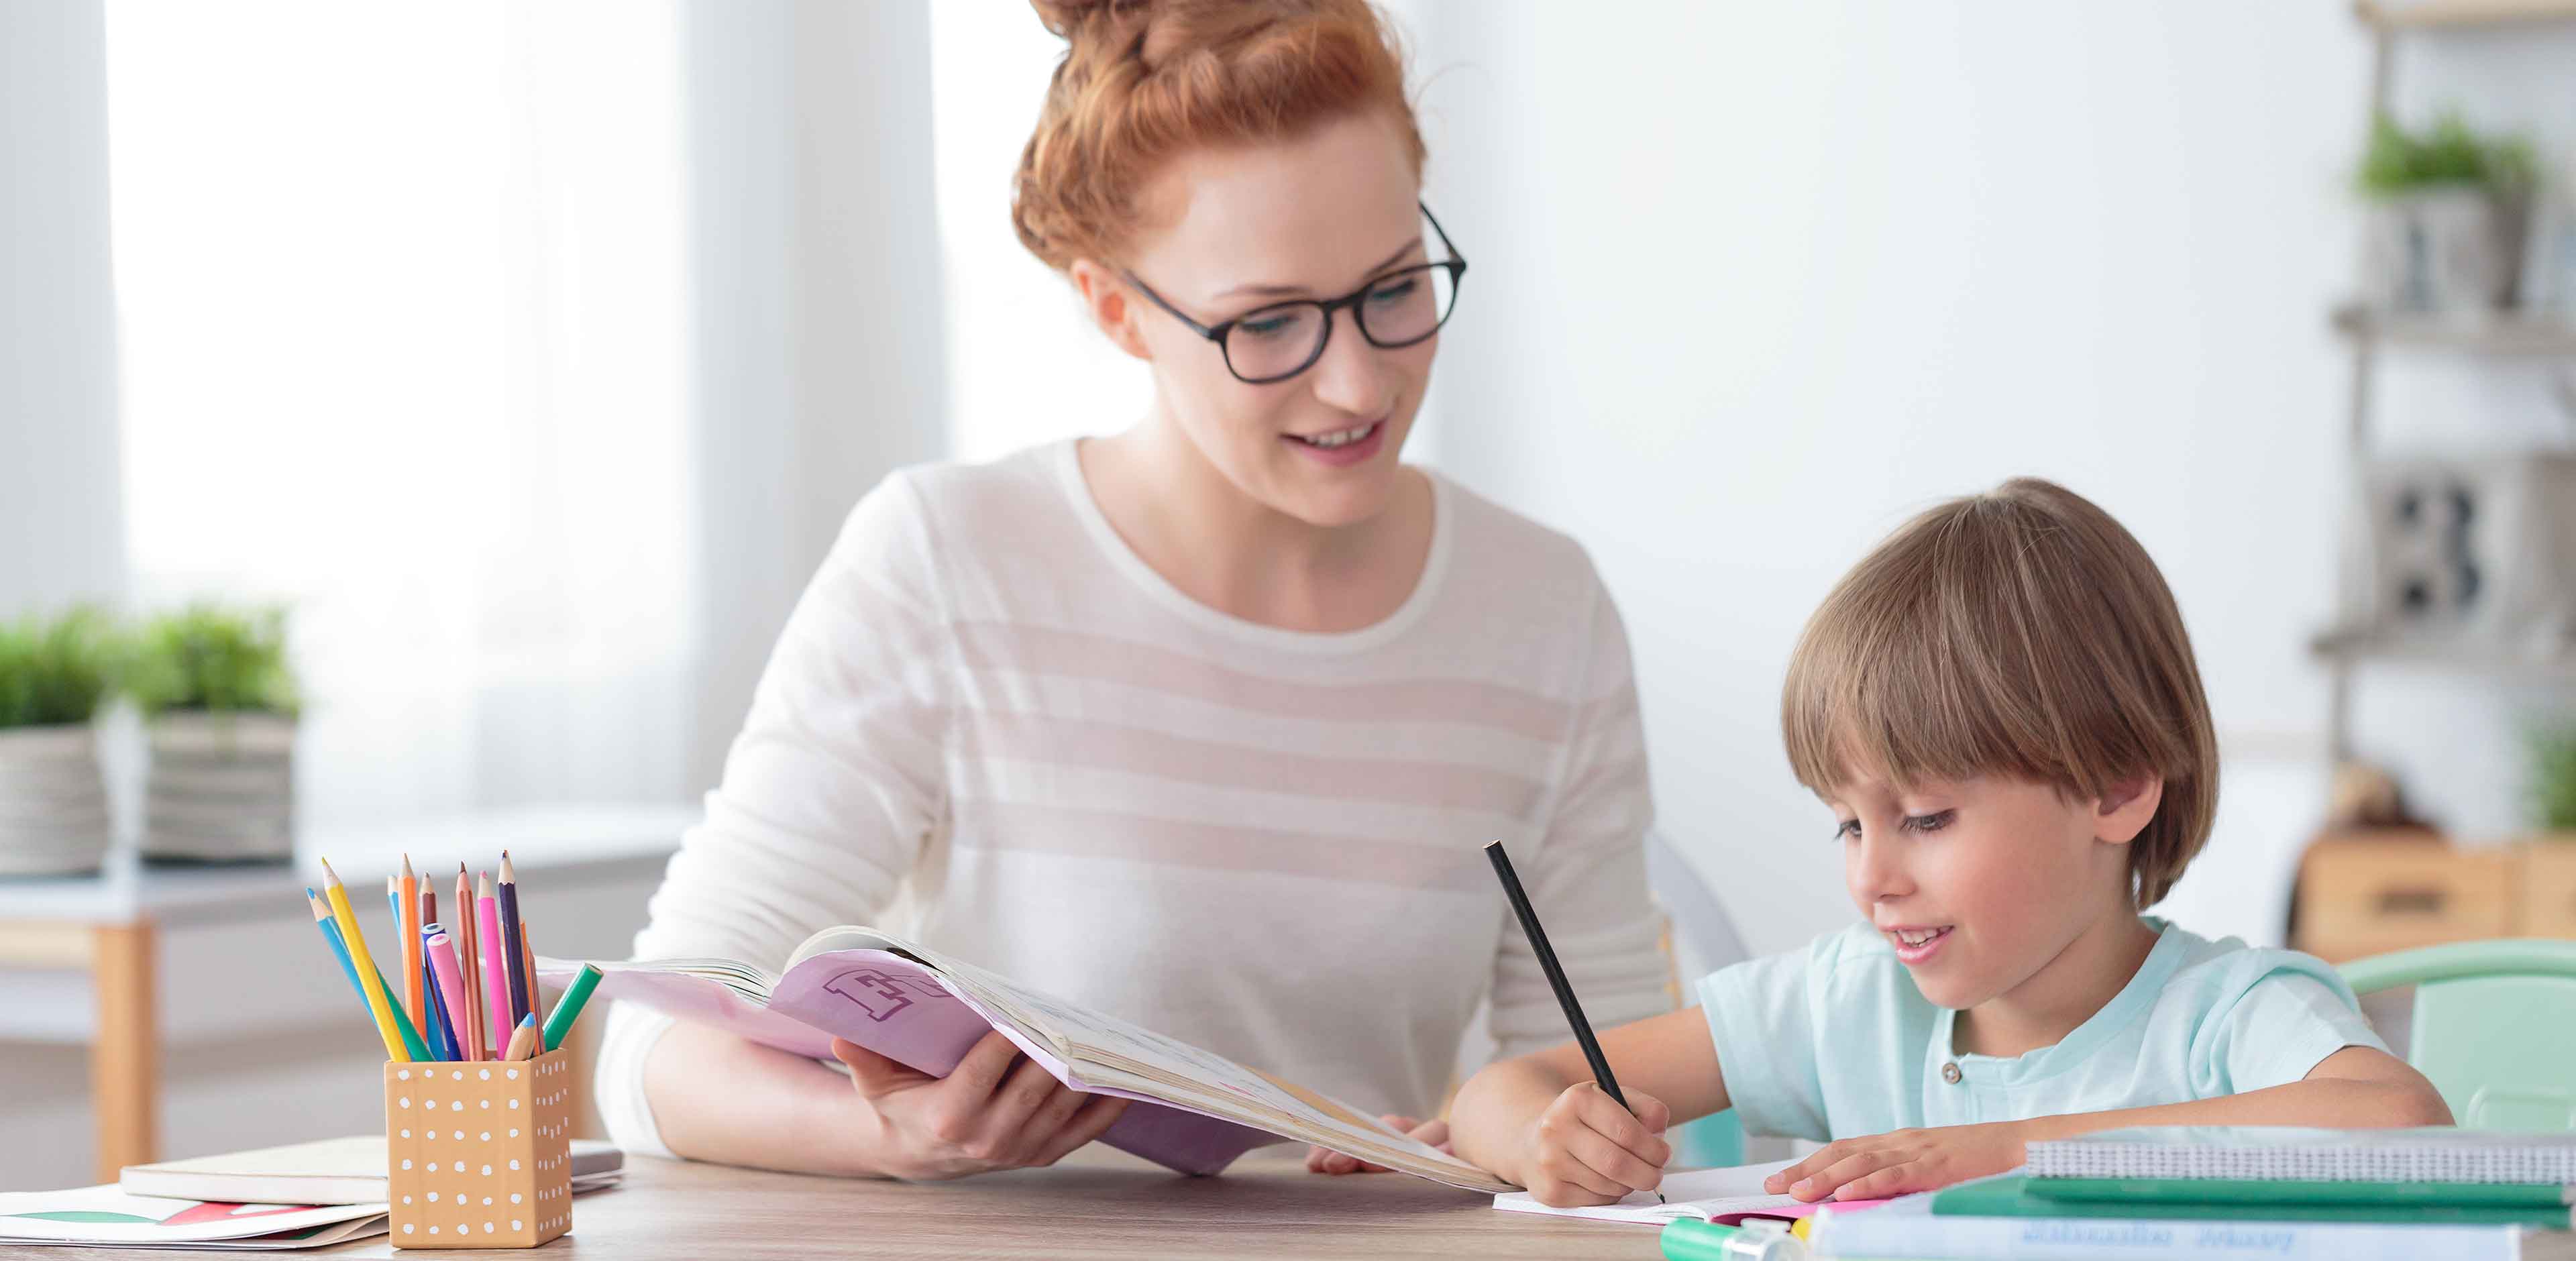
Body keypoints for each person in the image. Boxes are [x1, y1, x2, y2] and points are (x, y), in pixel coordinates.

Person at [594, 0, 1672, 1181]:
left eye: (1394, 288)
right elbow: (651, 1053)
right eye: (1269, 323)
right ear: (1117, 311)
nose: (1360, 384)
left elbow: (1610, 1076)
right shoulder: (949, 565)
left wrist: (1516, 1142)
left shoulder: (1542, 610)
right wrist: (897, 1139)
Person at [1446, 478, 2453, 1207]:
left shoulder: (2224, 1018)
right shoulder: (1845, 1004)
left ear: (2116, 788)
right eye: (1849, 824)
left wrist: (2009, 1149)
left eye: (1925, 819)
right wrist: (1544, 1142)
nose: (1872, 877)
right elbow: (1498, 1093)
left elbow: (2399, 1121)